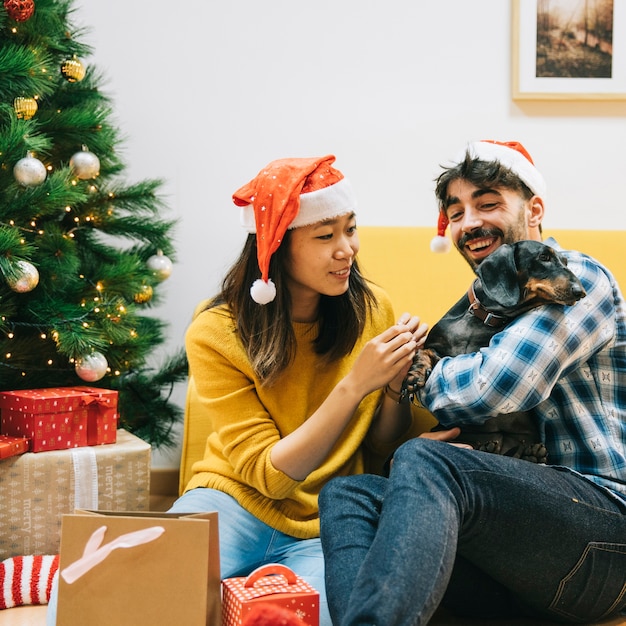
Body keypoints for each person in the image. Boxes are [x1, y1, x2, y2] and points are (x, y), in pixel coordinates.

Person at [319, 140, 626, 625]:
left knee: (424, 458)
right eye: (455, 212)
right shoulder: (477, 312)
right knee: (348, 495)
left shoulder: (574, 275)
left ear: (535, 209)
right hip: (522, 565)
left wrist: (416, 372)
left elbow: (498, 385)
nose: (470, 223)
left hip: (606, 533)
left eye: (488, 204)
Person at [167, 155, 431, 626]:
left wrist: (392, 385)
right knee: (135, 585)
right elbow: (269, 477)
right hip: (232, 500)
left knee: (320, 617)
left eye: (351, 229)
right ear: (276, 247)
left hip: (326, 521)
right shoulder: (216, 331)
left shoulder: (373, 310)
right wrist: (355, 385)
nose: (346, 249)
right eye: (325, 235)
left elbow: (381, 443)